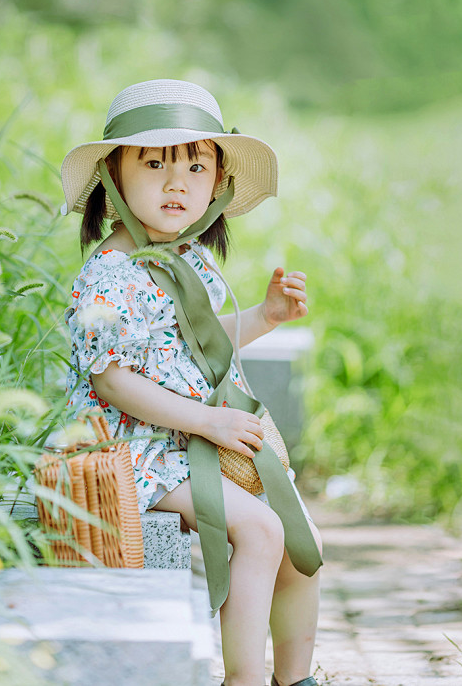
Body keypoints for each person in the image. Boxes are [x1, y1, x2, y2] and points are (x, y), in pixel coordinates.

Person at [60, 79, 323, 686]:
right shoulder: (110, 275)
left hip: (201, 434)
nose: (177, 183)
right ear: (114, 177)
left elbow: (197, 349)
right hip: (133, 447)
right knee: (260, 529)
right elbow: (113, 382)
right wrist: (207, 421)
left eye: (195, 166)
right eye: (154, 164)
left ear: (218, 183)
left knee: (298, 539)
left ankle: (296, 677)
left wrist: (264, 318)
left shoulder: (193, 259)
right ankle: (243, 680)